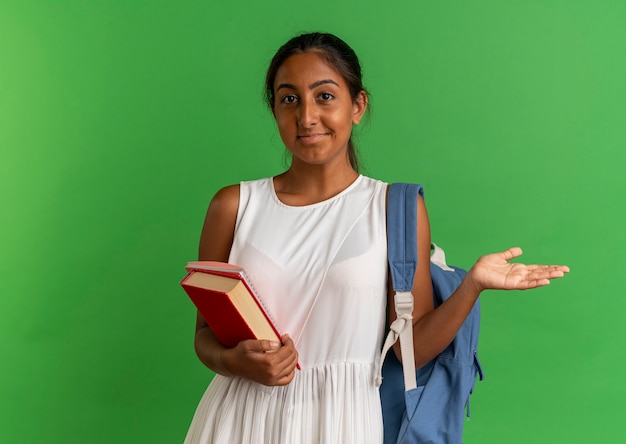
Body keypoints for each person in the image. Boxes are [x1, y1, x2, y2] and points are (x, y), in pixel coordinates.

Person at [183, 32, 569, 444]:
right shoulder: (234, 206)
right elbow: (204, 335)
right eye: (289, 99)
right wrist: (233, 361)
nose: (307, 117)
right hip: (238, 422)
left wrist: (471, 285)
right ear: (275, 110)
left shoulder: (393, 208)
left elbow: (411, 350)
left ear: (358, 106)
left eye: (325, 96)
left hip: (344, 424)